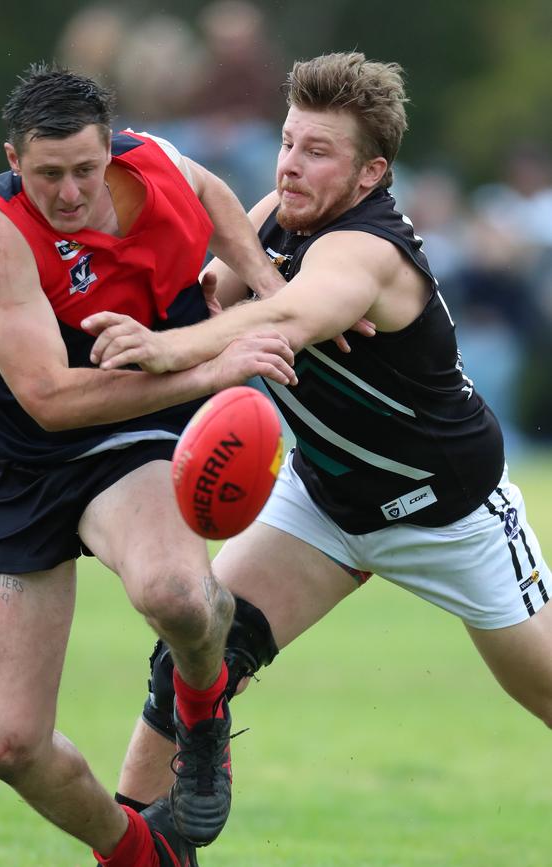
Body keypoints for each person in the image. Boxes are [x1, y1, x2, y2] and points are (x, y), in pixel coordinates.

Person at [83, 51, 552, 852]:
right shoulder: (280, 213)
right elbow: (217, 292)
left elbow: (288, 319)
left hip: (449, 513)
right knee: (191, 654)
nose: (292, 166)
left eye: (319, 151)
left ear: (372, 172)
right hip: (324, 503)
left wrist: (169, 351)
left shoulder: (367, 253)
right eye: (289, 141)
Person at [0, 63, 299, 867]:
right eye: (46, 175)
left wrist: (270, 285)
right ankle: (145, 854)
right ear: (12, 157)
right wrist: (212, 368)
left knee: (175, 594)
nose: (68, 193)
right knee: (9, 744)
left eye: (83, 169)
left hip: (136, 434)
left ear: (111, 148)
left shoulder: (158, 164)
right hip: (23, 467)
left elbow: (215, 198)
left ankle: (202, 711)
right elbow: (50, 399)